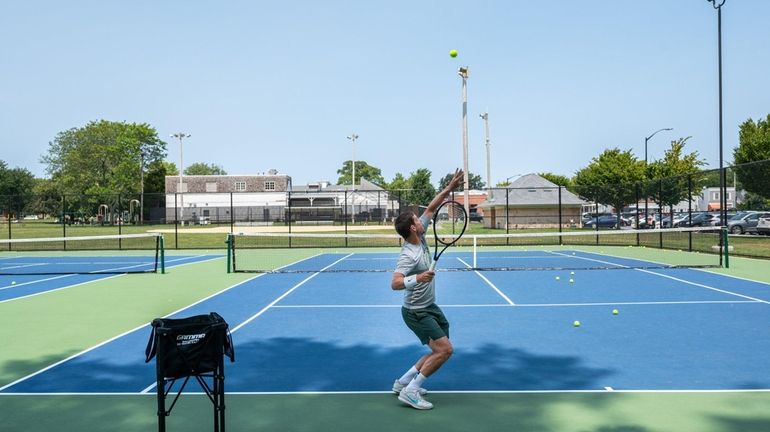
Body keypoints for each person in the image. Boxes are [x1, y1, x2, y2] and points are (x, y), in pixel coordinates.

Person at [390, 168, 464, 410]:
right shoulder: (408, 255)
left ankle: (403, 382)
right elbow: (395, 283)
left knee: (437, 349)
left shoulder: (419, 234)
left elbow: (431, 208)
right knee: (445, 350)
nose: (420, 218)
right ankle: (411, 392)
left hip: (429, 306)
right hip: (415, 311)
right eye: (415, 219)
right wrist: (418, 277)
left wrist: (449, 188)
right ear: (412, 228)